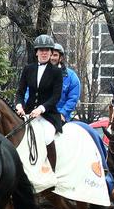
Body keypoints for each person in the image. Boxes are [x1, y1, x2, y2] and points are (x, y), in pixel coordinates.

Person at [15, 34, 63, 171]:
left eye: (47, 50)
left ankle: (51, 170)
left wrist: (41, 109)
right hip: (29, 113)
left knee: (47, 136)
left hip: (48, 115)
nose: (44, 53)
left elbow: (56, 96)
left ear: (50, 52)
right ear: (36, 52)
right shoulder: (28, 69)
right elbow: (20, 91)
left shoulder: (56, 72)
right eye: (41, 50)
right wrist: (19, 105)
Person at [51, 43, 81, 123]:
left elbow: (73, 98)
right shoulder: (39, 73)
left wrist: (62, 113)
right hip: (41, 114)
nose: (52, 58)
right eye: (50, 55)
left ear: (60, 58)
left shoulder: (71, 77)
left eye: (55, 55)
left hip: (61, 117)